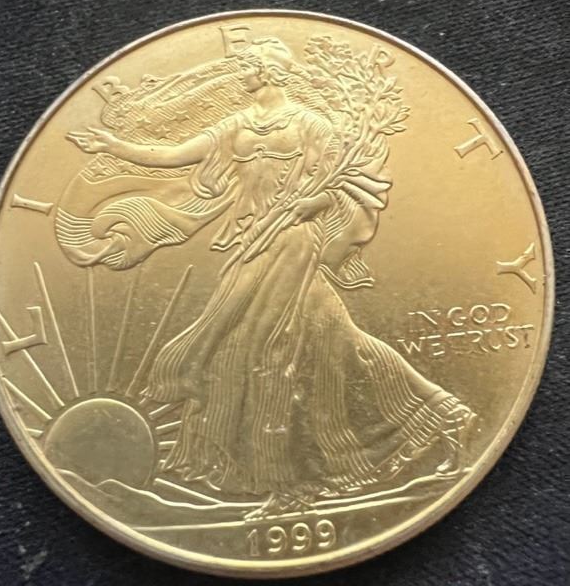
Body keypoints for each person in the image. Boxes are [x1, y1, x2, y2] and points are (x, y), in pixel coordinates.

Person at [68, 38, 475, 519]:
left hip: (293, 240)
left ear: (268, 72)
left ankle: (289, 483)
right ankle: (443, 414)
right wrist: (115, 146)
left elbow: (348, 183)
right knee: (333, 339)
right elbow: (177, 155)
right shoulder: (235, 125)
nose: (241, 73)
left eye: (248, 66)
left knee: (268, 349)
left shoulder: (311, 125)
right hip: (250, 239)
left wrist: (313, 202)